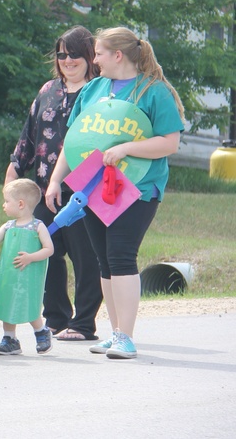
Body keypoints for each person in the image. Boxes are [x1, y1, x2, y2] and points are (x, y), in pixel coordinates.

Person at [45, 27, 185, 360]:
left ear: (117, 56)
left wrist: (125, 148)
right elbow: (75, 141)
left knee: (121, 256)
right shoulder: (94, 89)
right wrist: (55, 180)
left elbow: (170, 142)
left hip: (137, 188)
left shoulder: (154, 92)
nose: (94, 60)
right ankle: (115, 333)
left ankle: (127, 336)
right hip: (93, 186)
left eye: (99, 54)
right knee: (104, 261)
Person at [6, 25, 103, 342]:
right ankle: (57, 317)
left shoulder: (100, 92)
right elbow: (30, 133)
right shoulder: (48, 89)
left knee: (86, 256)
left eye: (75, 53)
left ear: (89, 56)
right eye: (62, 54)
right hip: (46, 187)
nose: (68, 60)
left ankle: (84, 322)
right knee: (47, 252)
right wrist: (15, 166)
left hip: (86, 189)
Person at [0, 179, 55, 355]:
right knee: (8, 304)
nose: (4, 205)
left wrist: (31, 257)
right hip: (9, 276)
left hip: (28, 276)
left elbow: (49, 249)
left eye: (7, 201)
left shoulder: (37, 226)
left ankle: (41, 332)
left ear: (21, 204)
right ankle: (10, 339)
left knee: (29, 304)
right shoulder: (8, 226)